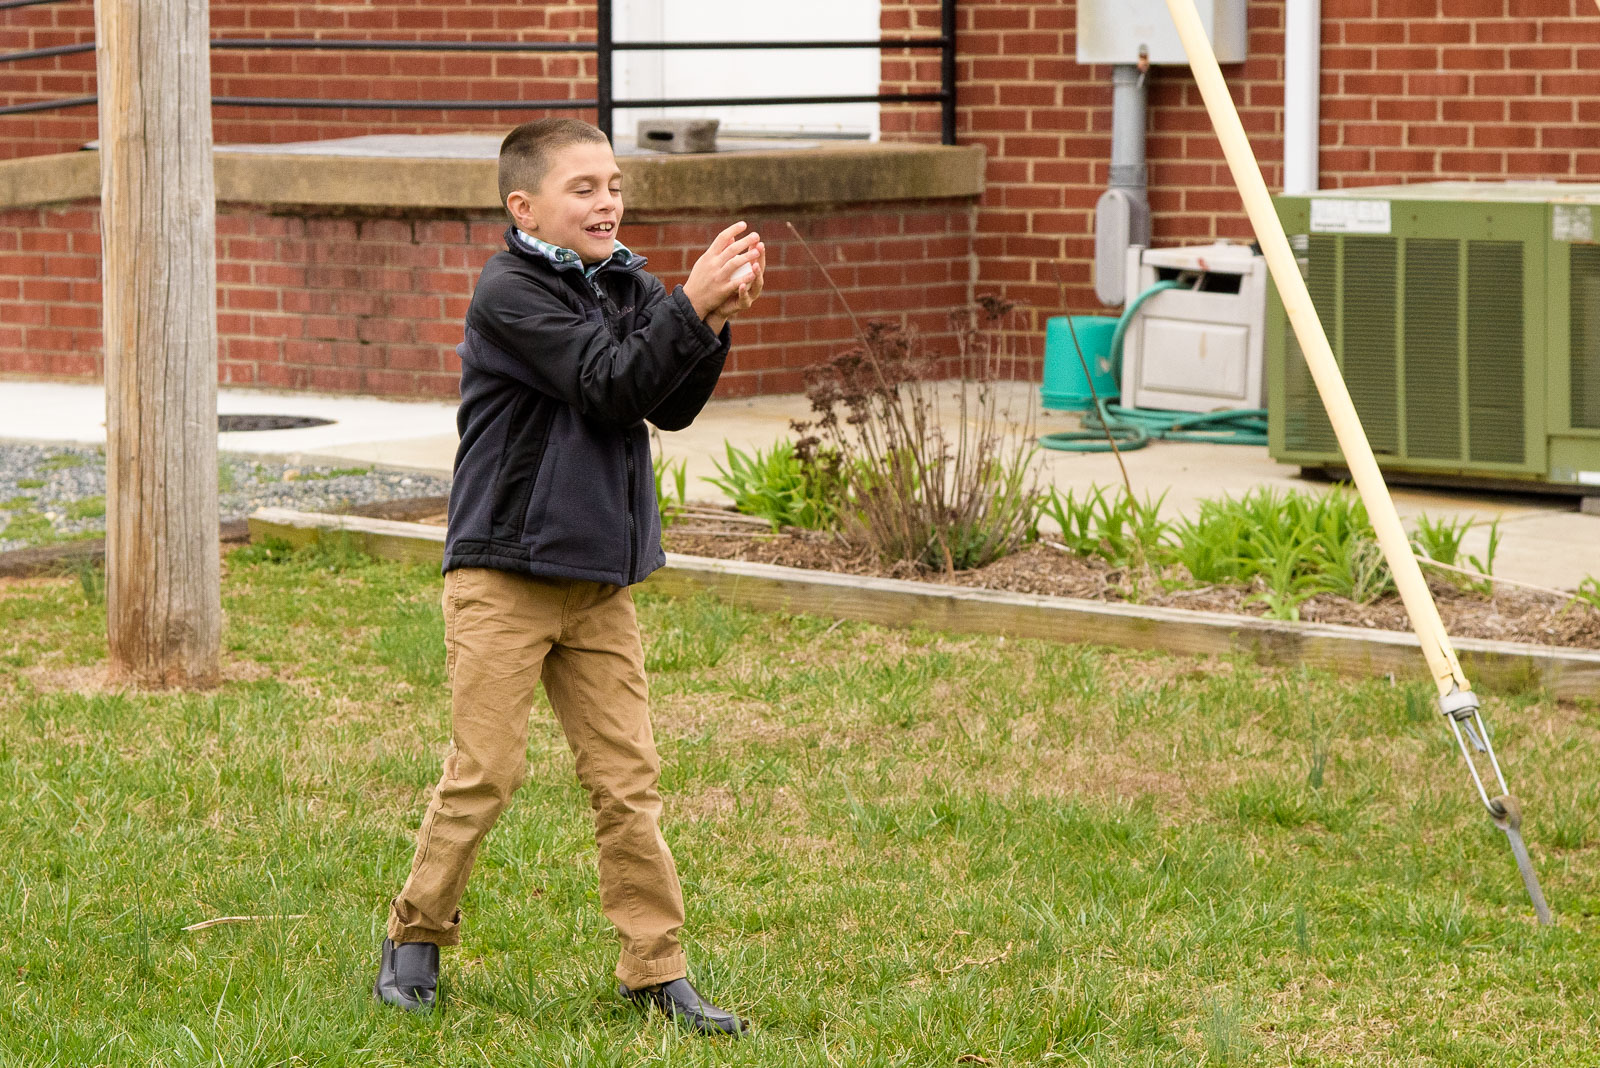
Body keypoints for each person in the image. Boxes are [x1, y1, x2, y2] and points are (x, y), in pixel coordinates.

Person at [373, 117, 764, 1035]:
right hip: (505, 573)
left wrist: (706, 317)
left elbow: (666, 403)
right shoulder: (509, 292)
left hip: (597, 579)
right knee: (485, 771)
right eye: (583, 187)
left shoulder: (626, 283)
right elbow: (606, 381)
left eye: (614, 184)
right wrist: (688, 304)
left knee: (627, 779)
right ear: (525, 207)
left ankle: (655, 970)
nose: (607, 201)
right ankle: (415, 935)